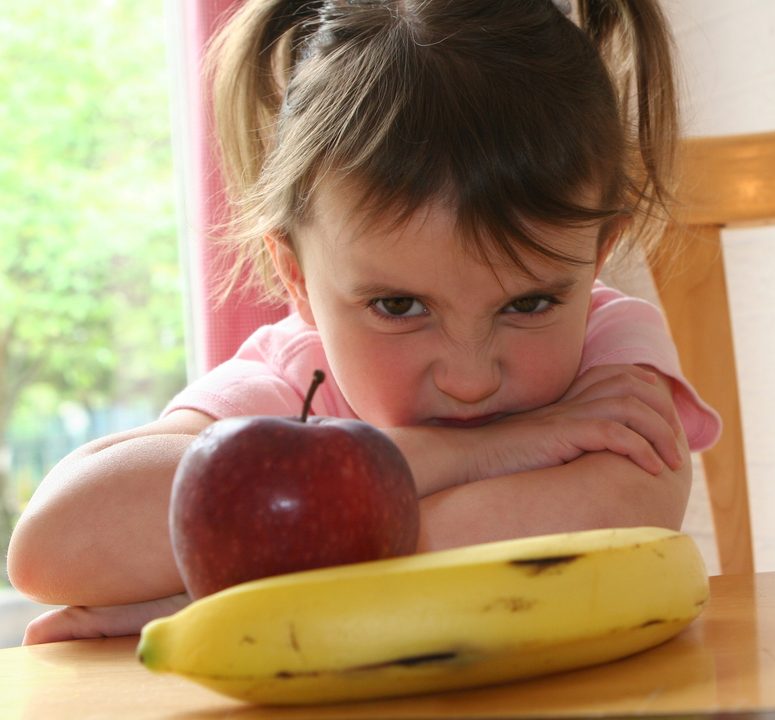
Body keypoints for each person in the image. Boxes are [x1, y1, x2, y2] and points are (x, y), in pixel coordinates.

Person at [7, 0, 719, 644]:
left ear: (599, 255)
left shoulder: (609, 345)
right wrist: (490, 451)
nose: (469, 378)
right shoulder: (294, 374)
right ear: (297, 279)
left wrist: (235, 590)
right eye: (399, 307)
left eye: (527, 304)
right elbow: (53, 548)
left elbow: (623, 515)